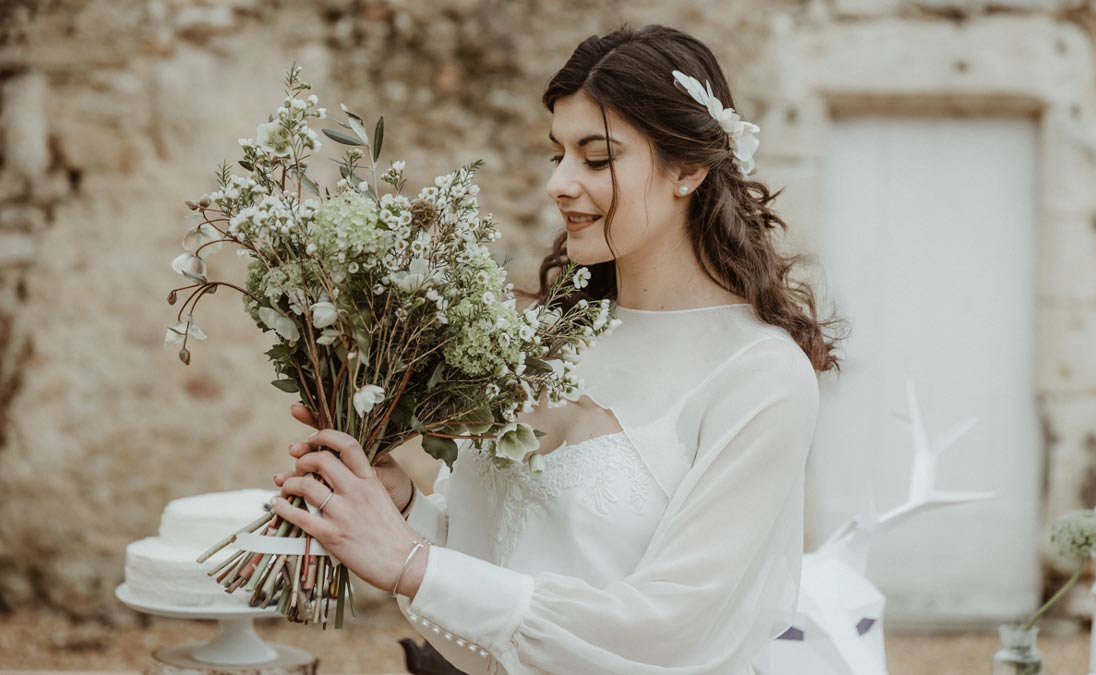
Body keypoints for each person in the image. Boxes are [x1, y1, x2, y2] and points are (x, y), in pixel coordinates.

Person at [270, 23, 842, 675]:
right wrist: (397, 505)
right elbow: (479, 569)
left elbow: (669, 627)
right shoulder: (543, 335)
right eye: (558, 154)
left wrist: (409, 561)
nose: (560, 183)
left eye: (596, 158)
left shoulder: (760, 377)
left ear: (688, 168)